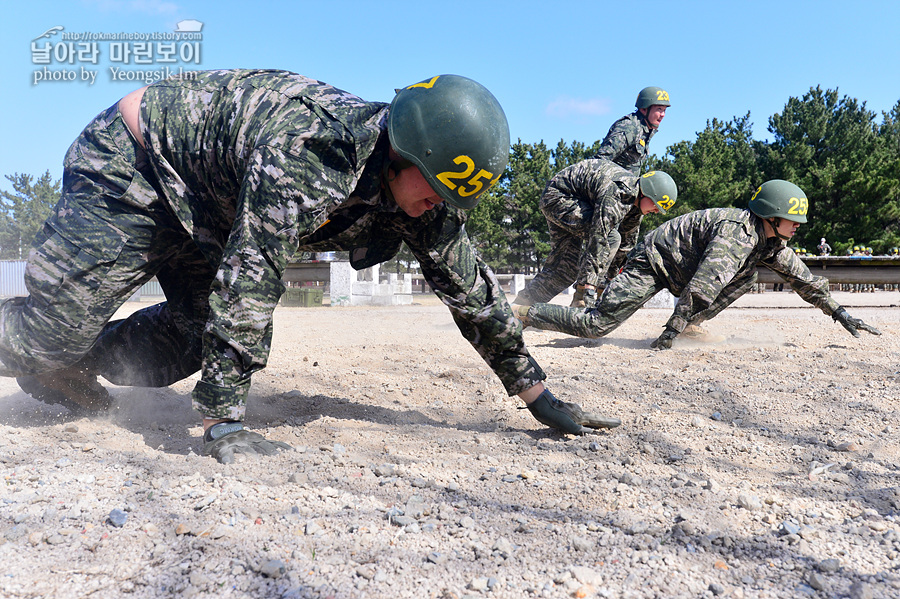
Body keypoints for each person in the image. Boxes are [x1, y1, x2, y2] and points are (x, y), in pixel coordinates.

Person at [1, 70, 619, 464]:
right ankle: (52, 348)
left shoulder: (419, 192)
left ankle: (67, 366)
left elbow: (473, 294)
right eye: (432, 189)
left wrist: (536, 394)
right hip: (135, 163)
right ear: (402, 154)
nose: (436, 206)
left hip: (211, 211)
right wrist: (223, 418)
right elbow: (255, 268)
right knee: (49, 331)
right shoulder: (314, 149)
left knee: (185, 343)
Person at [514, 180, 881, 348]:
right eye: (792, 218)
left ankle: (690, 326)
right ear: (771, 215)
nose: (797, 226)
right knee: (596, 326)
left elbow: (804, 280)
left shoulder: (769, 240)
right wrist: (669, 333)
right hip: (652, 264)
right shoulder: (739, 234)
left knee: (747, 275)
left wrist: (840, 312)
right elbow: (704, 285)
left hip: (681, 270)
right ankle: (524, 314)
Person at [512, 165, 676, 308]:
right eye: (656, 205)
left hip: (575, 204)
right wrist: (590, 287)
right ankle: (581, 298)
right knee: (611, 238)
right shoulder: (618, 192)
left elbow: (625, 247)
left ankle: (520, 306)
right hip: (558, 198)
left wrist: (610, 281)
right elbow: (600, 237)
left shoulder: (635, 206)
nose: (656, 211)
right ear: (647, 193)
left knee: (565, 270)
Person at [593, 86, 670, 175]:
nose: (663, 115)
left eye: (664, 110)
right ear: (644, 109)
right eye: (659, 109)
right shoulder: (629, 127)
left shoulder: (645, 130)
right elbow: (600, 161)